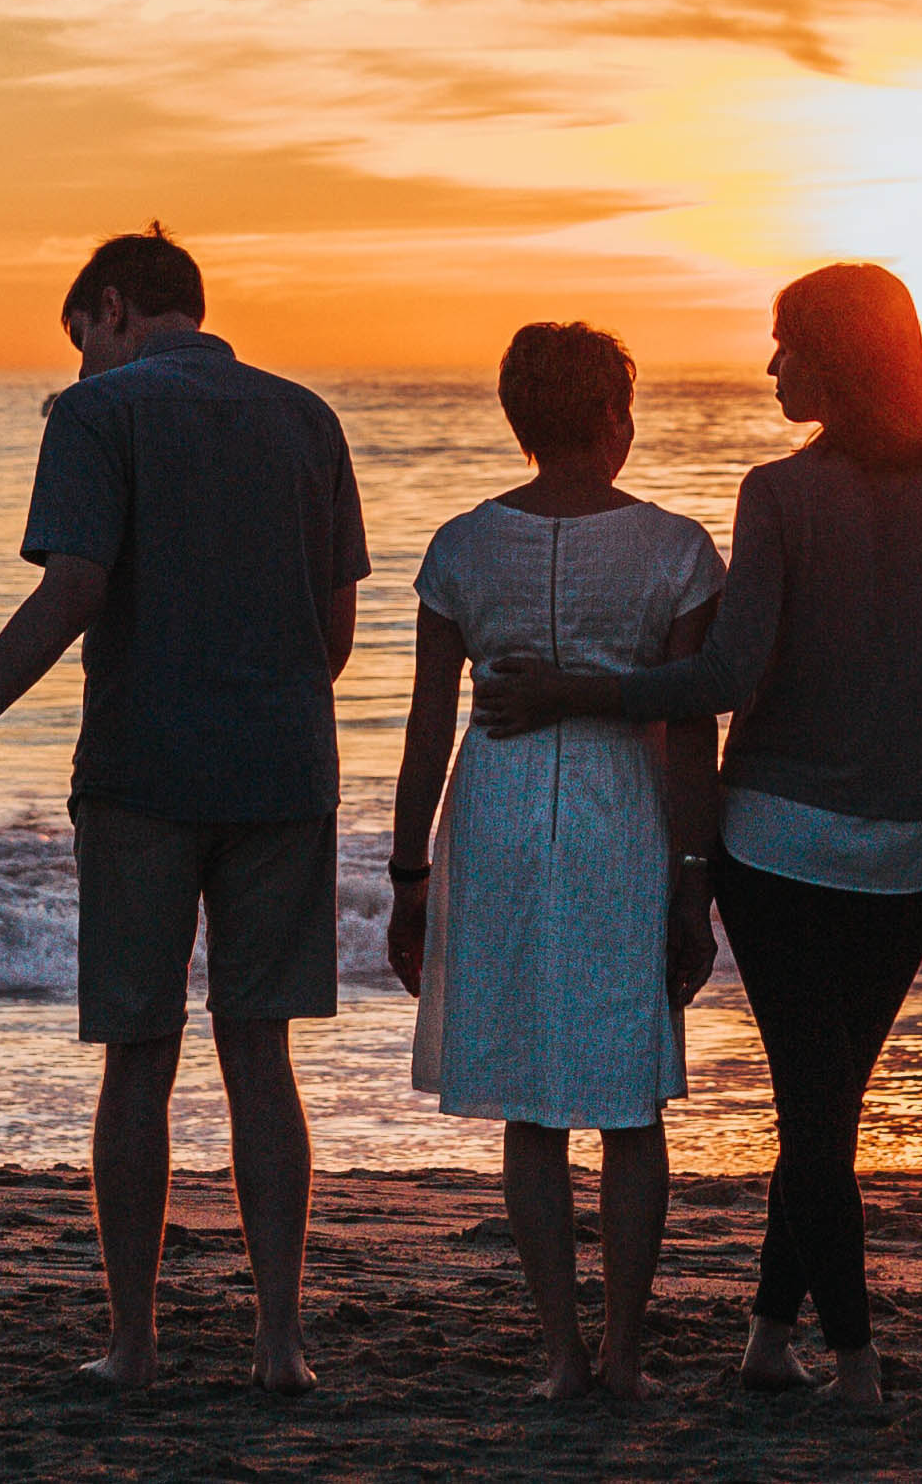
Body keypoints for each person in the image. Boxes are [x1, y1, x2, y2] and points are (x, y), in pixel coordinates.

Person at [474, 263, 922, 1405]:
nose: (770, 368)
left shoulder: (779, 494)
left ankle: (850, 1361)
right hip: (907, 850)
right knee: (827, 1105)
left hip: (782, 845)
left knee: (816, 1114)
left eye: (786, 347)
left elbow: (721, 675)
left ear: (836, 358)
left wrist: (571, 689)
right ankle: (767, 1336)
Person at [0, 229, 371, 1393]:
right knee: (261, 1058)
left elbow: (73, 589)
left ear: (112, 309)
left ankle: (134, 1344)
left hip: (144, 769)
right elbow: (337, 642)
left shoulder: (95, 416)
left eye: (81, 341)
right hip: (282, 770)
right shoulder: (306, 417)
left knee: (137, 1058)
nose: (80, 366)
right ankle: (280, 1345)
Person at [383, 322, 724, 1402]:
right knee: (629, 1104)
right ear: (614, 418)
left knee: (532, 1105)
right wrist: (694, 879)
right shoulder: (674, 547)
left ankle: (561, 1359)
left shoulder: (460, 546)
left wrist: (406, 877)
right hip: (621, 814)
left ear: (517, 422)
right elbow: (694, 729)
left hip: (494, 812)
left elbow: (428, 724)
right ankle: (623, 1356)